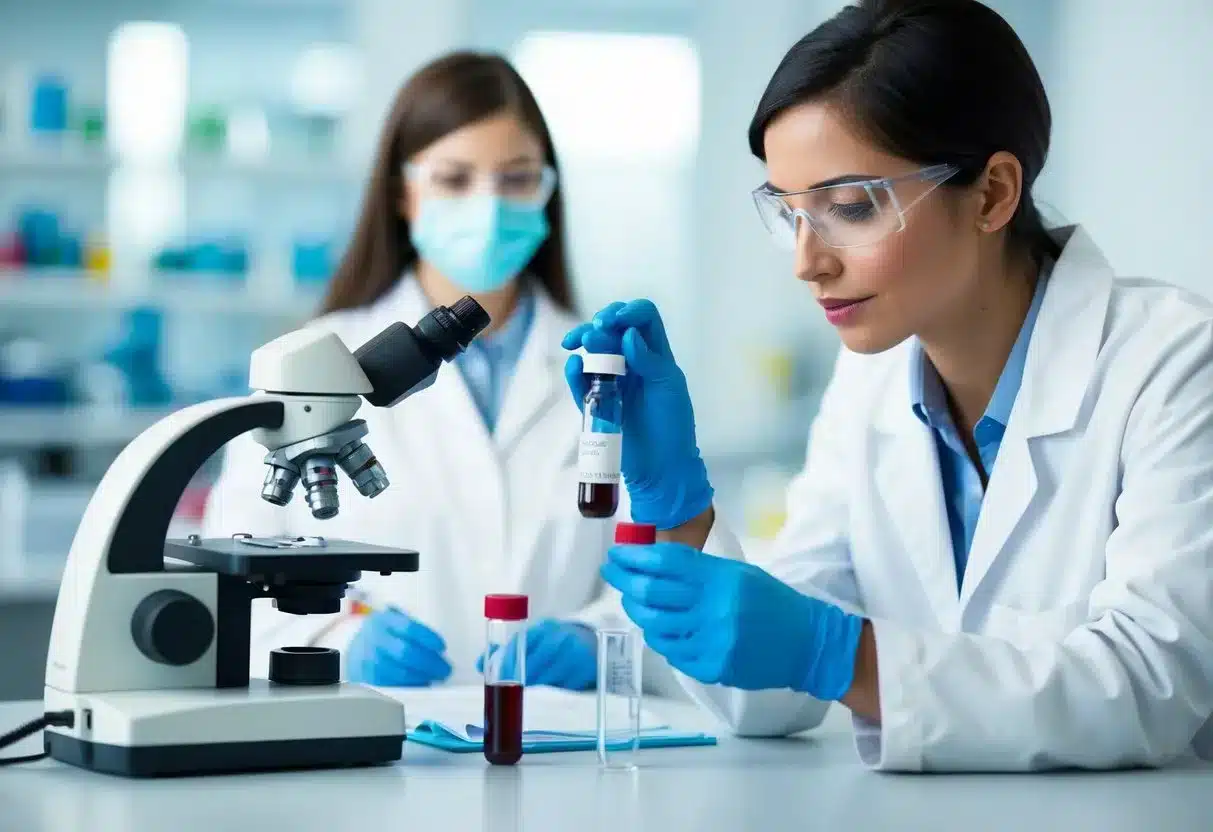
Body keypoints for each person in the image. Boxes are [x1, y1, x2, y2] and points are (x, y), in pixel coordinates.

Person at [563, 0, 1213, 772]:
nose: (807, 262)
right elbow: (774, 695)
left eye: (848, 207)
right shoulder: (871, 376)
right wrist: (681, 510)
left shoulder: (1174, 362)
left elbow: (1146, 686)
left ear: (992, 194)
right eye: (789, 213)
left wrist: (839, 656)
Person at [202, 51, 631, 691]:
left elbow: (671, 570)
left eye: (515, 179)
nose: (487, 205)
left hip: (553, 746)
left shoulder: (607, 367)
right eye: (454, 179)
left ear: (547, 192)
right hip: (371, 747)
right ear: (404, 193)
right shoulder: (313, 360)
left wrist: (594, 641)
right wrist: (338, 639)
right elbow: (229, 581)